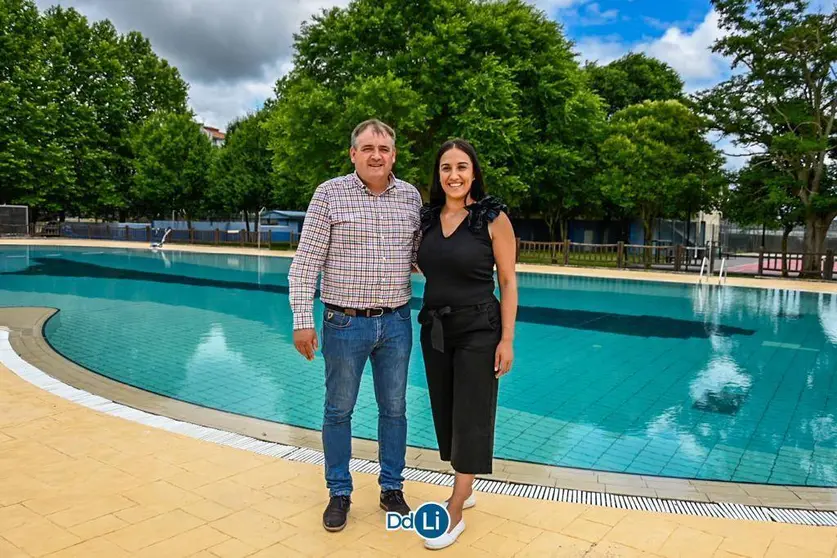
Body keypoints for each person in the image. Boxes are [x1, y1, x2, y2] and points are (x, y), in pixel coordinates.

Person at [288, 119, 422, 532]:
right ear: (353, 154)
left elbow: (421, 256)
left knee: (395, 409)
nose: (376, 155)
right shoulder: (329, 194)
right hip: (344, 323)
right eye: (367, 148)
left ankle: (392, 487)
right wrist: (301, 320)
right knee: (338, 409)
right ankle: (339, 492)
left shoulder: (411, 198)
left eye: (383, 148)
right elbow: (306, 262)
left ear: (394, 154)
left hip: (397, 321)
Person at [416, 139, 518, 550]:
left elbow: (508, 282)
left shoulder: (492, 219)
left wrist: (507, 339)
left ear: (474, 172)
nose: (453, 175)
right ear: (437, 176)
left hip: (480, 328)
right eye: (445, 168)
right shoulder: (426, 218)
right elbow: (423, 263)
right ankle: (467, 484)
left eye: (461, 167)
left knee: (471, 413)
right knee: (445, 408)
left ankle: (456, 505)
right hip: (436, 328)